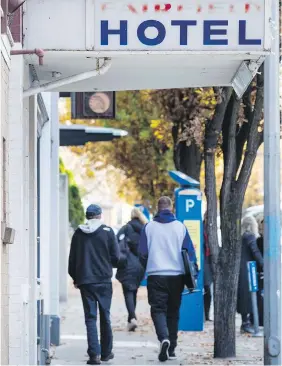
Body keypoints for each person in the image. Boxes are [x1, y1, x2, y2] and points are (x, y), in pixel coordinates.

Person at [139, 196, 197, 362]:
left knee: (158, 309)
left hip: (156, 275)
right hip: (176, 276)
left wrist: (149, 265)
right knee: (173, 312)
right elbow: (189, 253)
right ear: (171, 208)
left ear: (158, 208)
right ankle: (171, 348)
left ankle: (163, 338)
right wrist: (194, 275)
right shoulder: (180, 227)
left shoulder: (148, 227)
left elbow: (142, 253)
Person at [68, 204, 120, 365]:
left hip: (86, 281)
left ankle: (94, 355)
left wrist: (76, 277)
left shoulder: (78, 233)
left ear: (87, 216)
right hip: (104, 280)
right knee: (105, 316)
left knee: (90, 317)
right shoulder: (108, 232)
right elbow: (116, 258)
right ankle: (106, 353)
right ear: (99, 215)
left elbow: (72, 259)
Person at [116, 207, 147, 331]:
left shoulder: (126, 228)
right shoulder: (144, 229)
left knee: (128, 292)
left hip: (127, 263)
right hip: (140, 265)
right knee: (133, 290)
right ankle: (131, 319)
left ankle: (132, 317)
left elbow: (115, 241)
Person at [237, 215, 263, 334]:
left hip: (241, 269)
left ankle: (245, 322)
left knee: (244, 296)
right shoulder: (250, 236)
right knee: (248, 296)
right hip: (248, 270)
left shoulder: (241, 236)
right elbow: (255, 252)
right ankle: (246, 323)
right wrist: (264, 265)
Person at [203, 213, 213, 321]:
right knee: (206, 289)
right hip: (205, 262)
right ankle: (205, 314)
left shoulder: (212, 230)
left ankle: (206, 314)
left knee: (208, 290)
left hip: (209, 261)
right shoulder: (202, 228)